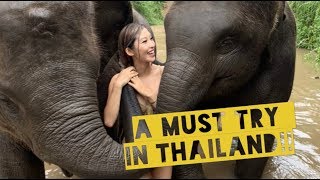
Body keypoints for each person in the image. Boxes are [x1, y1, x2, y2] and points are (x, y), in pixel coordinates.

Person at [103, 23, 172, 179]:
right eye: (144, 41)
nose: (152, 45)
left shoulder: (164, 73)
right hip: (135, 146)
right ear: (129, 51)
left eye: (151, 39)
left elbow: (173, 116)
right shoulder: (118, 79)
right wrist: (119, 86)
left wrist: (149, 95)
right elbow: (109, 120)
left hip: (163, 143)